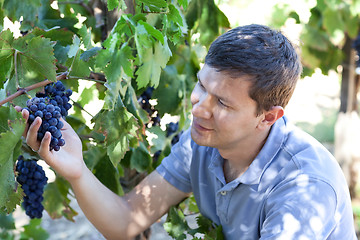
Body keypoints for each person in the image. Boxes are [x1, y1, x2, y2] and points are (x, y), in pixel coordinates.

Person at [18, 24, 357, 239]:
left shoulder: (303, 190)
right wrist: (77, 171)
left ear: (268, 117)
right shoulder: (204, 143)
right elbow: (126, 221)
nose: (199, 107)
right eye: (201, 86)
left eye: (222, 102)